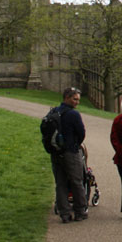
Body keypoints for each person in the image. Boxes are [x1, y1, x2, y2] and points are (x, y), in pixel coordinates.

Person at [51, 87, 88, 223]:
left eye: (78, 99)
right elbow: (81, 132)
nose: (77, 102)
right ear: (67, 97)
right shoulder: (73, 114)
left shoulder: (54, 111)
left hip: (56, 153)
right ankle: (80, 212)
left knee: (60, 183)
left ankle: (65, 214)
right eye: (74, 99)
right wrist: (75, 143)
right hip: (71, 152)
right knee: (76, 181)